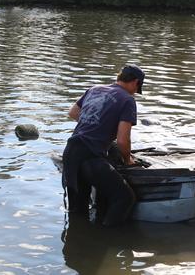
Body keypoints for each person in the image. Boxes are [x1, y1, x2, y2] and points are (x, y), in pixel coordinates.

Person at [62, 64, 145, 226]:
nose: (135, 91)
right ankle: (107, 243)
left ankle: (77, 243)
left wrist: (96, 124)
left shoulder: (94, 89)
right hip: (90, 156)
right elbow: (122, 140)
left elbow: (73, 113)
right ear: (136, 82)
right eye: (137, 88)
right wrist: (128, 160)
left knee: (78, 212)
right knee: (124, 198)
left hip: (70, 154)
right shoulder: (127, 100)